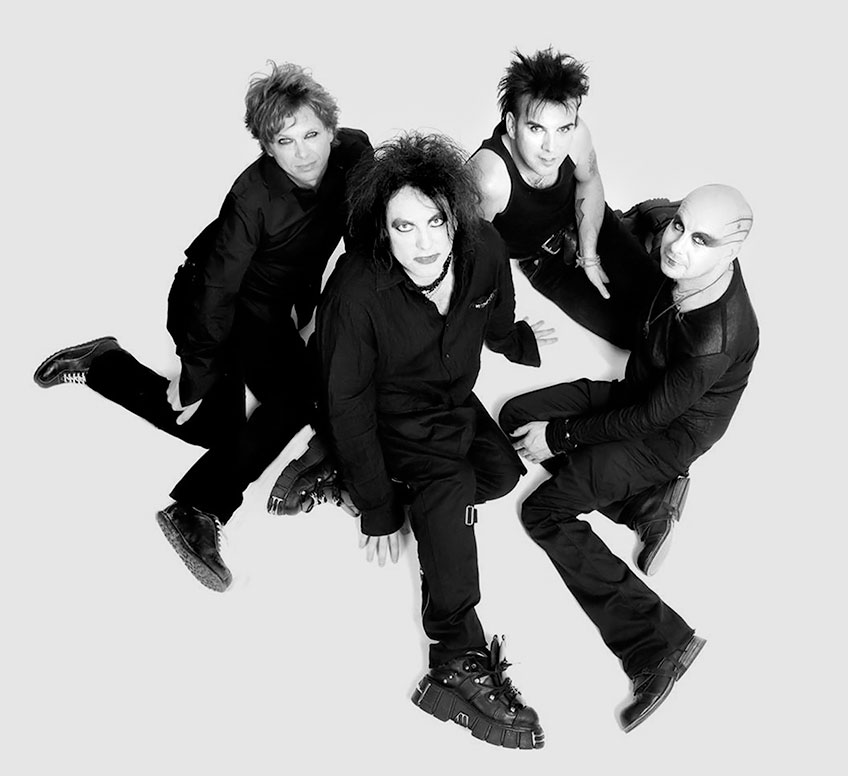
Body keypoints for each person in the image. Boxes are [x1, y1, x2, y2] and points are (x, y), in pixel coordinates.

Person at [33, 62, 371, 592]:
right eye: (285, 141)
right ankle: (108, 373)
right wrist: (195, 377)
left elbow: (361, 231)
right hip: (212, 303)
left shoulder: (355, 153)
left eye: (311, 134)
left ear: (331, 128)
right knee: (212, 424)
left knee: (299, 394)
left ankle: (112, 377)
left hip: (272, 308)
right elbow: (215, 291)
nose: (304, 153)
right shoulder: (251, 197)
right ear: (267, 147)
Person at [315, 133, 554, 749]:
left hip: (450, 402)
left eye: (436, 222)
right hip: (383, 411)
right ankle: (454, 658)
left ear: (455, 217)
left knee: (500, 474)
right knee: (448, 483)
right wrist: (377, 509)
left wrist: (519, 341)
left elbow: (497, 317)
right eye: (404, 227)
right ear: (383, 230)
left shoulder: (485, 249)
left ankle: (351, 475)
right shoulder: (355, 292)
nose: (424, 243)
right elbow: (346, 403)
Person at [499, 184, 757, 732]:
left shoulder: (714, 337)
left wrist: (561, 437)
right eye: (679, 225)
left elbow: (649, 419)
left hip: (660, 438)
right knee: (518, 418)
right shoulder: (683, 265)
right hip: (635, 396)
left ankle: (657, 645)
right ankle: (644, 504)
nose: (678, 245)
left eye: (702, 240)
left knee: (543, 512)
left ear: (732, 252)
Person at [468, 47, 659, 350]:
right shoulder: (489, 179)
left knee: (660, 299)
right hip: (543, 259)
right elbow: (475, 256)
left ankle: (640, 224)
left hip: (589, 222)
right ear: (511, 125)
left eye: (563, 129)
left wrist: (589, 254)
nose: (551, 147)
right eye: (536, 128)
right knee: (631, 337)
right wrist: (501, 332)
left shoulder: (577, 136)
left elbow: (589, 180)